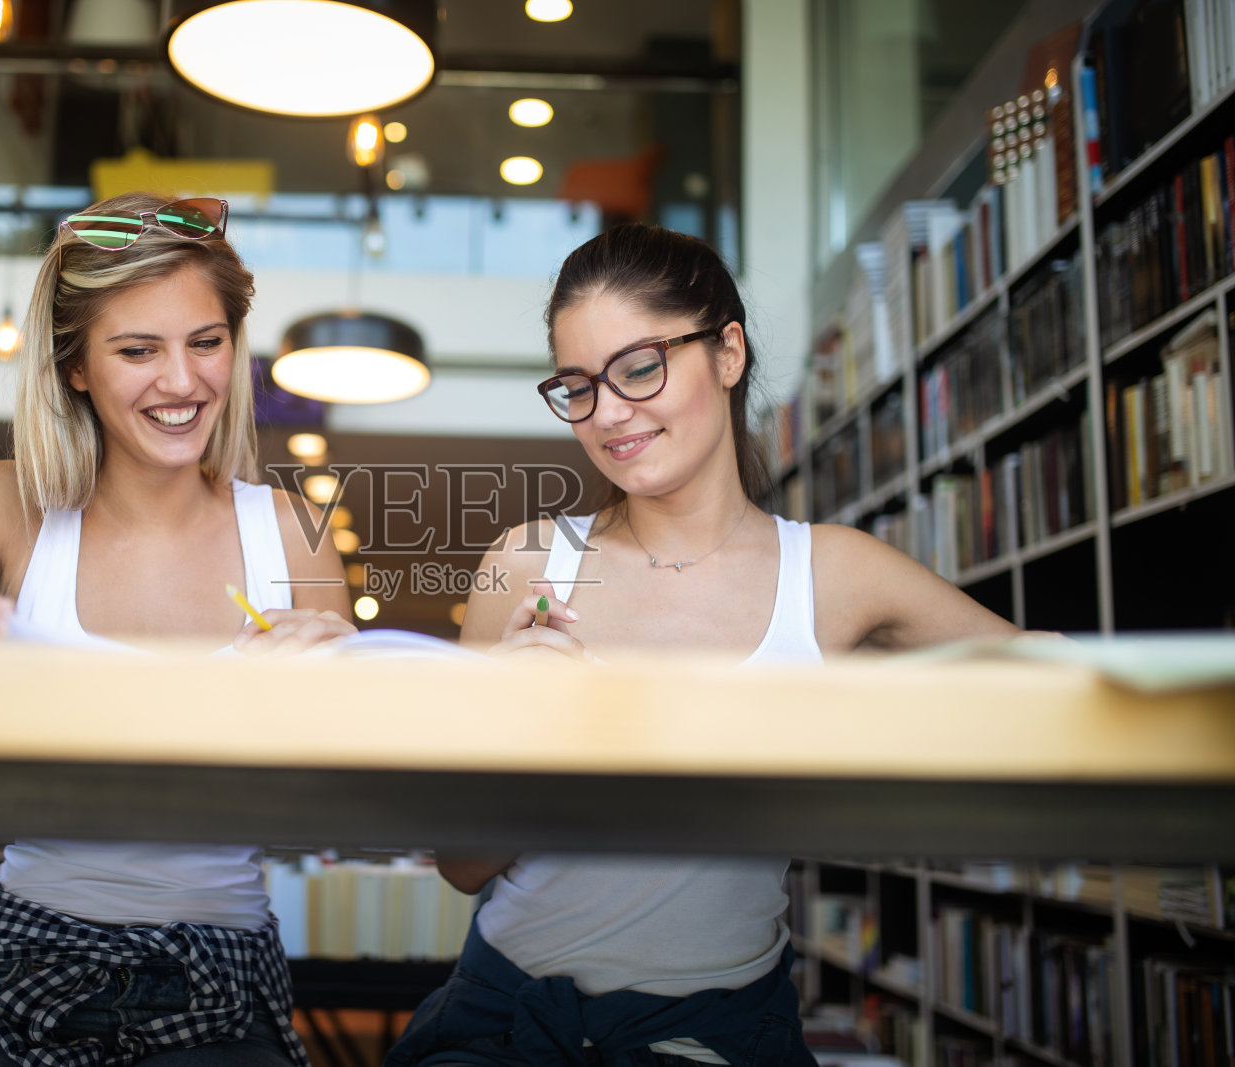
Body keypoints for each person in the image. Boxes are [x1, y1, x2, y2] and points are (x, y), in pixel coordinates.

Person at [391, 225, 1021, 1067]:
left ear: (728, 352)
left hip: (718, 1034)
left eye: (639, 367)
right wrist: (512, 732)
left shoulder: (830, 574)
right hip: (506, 1016)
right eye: (577, 386)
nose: (609, 413)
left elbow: (1058, 683)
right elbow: (463, 865)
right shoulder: (530, 562)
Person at [0, 191, 354, 1066]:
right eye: (138, 350)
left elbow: (339, 796)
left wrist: (339, 697)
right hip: (22, 947)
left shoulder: (289, 531)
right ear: (75, 366)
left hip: (218, 963)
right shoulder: (7, 503)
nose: (181, 382)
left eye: (205, 342)